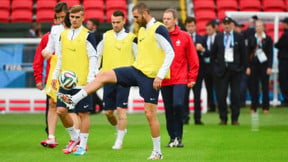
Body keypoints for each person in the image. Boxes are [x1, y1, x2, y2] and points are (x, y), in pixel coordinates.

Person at [57, 2, 174, 160]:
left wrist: (160, 75)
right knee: (103, 75)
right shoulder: (142, 30)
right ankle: (74, 99)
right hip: (136, 70)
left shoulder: (158, 28)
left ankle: (157, 151)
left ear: (145, 13)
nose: (135, 20)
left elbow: (170, 53)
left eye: (136, 17)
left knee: (149, 114)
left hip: (151, 76)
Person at [52, 5, 98, 155]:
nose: (74, 20)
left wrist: (91, 78)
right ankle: (75, 138)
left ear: (83, 18)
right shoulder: (63, 35)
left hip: (82, 81)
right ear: (69, 17)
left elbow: (93, 57)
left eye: (78, 17)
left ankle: (82, 145)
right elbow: (60, 57)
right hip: (65, 81)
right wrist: (54, 75)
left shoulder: (88, 35)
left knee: (83, 114)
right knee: (61, 111)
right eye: (72, 17)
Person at [97, 10, 137, 149]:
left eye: (118, 22)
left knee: (121, 109)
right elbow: (98, 54)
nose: (115, 25)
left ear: (124, 21)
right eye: (113, 22)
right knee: (108, 112)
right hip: (108, 78)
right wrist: (96, 72)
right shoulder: (106, 36)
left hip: (125, 79)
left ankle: (119, 141)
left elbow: (139, 58)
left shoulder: (131, 38)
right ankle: (119, 128)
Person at [161, 9, 199, 147]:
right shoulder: (159, 37)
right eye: (164, 19)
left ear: (175, 20)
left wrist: (192, 77)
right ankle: (173, 138)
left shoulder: (185, 36)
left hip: (180, 79)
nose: (165, 21)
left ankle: (179, 136)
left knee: (177, 105)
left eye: (168, 19)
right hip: (164, 79)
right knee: (168, 110)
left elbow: (193, 59)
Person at [38, 1, 69, 148]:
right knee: (52, 103)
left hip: (71, 69)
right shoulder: (55, 30)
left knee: (72, 107)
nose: (61, 20)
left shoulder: (76, 29)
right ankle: (51, 137)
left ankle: (77, 138)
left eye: (63, 16)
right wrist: (46, 52)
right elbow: (49, 48)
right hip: (56, 68)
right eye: (59, 17)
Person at [211, 16, 247, 125]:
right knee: (221, 95)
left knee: (235, 95)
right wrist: (215, 68)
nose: (226, 26)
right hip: (222, 70)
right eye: (224, 23)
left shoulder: (239, 37)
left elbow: (243, 54)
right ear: (222, 25)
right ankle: (223, 118)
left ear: (232, 25)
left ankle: (235, 118)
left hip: (235, 70)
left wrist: (241, 68)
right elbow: (213, 54)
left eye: (228, 23)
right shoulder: (218, 37)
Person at [246, 20, 272, 114]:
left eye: (260, 26)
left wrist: (269, 66)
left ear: (263, 27)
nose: (258, 28)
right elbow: (247, 53)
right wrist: (248, 67)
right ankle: (254, 107)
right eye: (257, 26)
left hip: (264, 65)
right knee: (254, 87)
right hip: (253, 65)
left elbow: (270, 54)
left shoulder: (268, 38)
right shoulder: (251, 38)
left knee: (265, 87)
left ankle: (266, 107)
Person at [184, 17, 205, 125]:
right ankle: (185, 118)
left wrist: (202, 50)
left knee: (197, 96)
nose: (191, 28)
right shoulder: (183, 38)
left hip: (197, 73)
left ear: (195, 26)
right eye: (189, 26)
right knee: (184, 96)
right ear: (186, 26)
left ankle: (198, 118)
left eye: (192, 26)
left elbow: (209, 54)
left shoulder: (201, 38)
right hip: (185, 72)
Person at [85, 18, 103, 114]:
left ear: (94, 26)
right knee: (91, 87)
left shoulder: (97, 36)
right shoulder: (89, 35)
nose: (87, 25)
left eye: (89, 24)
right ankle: (99, 104)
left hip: (95, 65)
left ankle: (93, 107)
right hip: (89, 64)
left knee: (91, 86)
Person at [203, 21, 217, 112]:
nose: (208, 31)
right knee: (208, 87)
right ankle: (211, 105)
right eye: (207, 29)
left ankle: (221, 105)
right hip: (206, 66)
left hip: (216, 66)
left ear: (214, 28)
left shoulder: (219, 37)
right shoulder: (204, 38)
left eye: (210, 29)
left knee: (218, 88)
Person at [275, 17, 288, 107]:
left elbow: (278, 45)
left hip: (284, 61)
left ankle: (286, 99)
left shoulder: (285, 35)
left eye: (283, 23)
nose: (282, 25)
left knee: (284, 80)